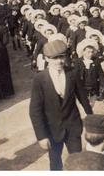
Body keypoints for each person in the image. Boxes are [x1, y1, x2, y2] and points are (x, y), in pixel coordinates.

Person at [29, 40, 93, 170]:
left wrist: (92, 123)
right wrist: (41, 136)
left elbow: (83, 99)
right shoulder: (40, 79)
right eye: (54, 58)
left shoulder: (72, 73)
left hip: (73, 126)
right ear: (47, 58)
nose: (59, 61)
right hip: (52, 130)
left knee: (77, 162)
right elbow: (35, 111)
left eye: (62, 57)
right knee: (55, 162)